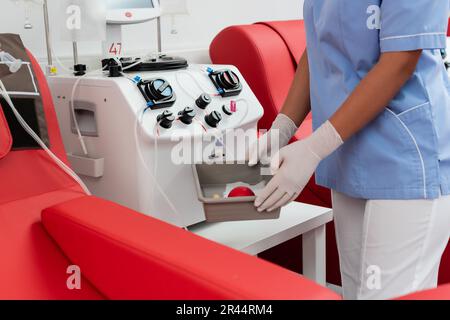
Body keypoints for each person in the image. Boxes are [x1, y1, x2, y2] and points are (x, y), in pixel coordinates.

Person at [250, 0, 450, 300]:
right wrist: (283, 128)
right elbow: (319, 48)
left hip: (408, 155)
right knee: (356, 291)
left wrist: (314, 148)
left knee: (387, 295)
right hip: (347, 155)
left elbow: (401, 59)